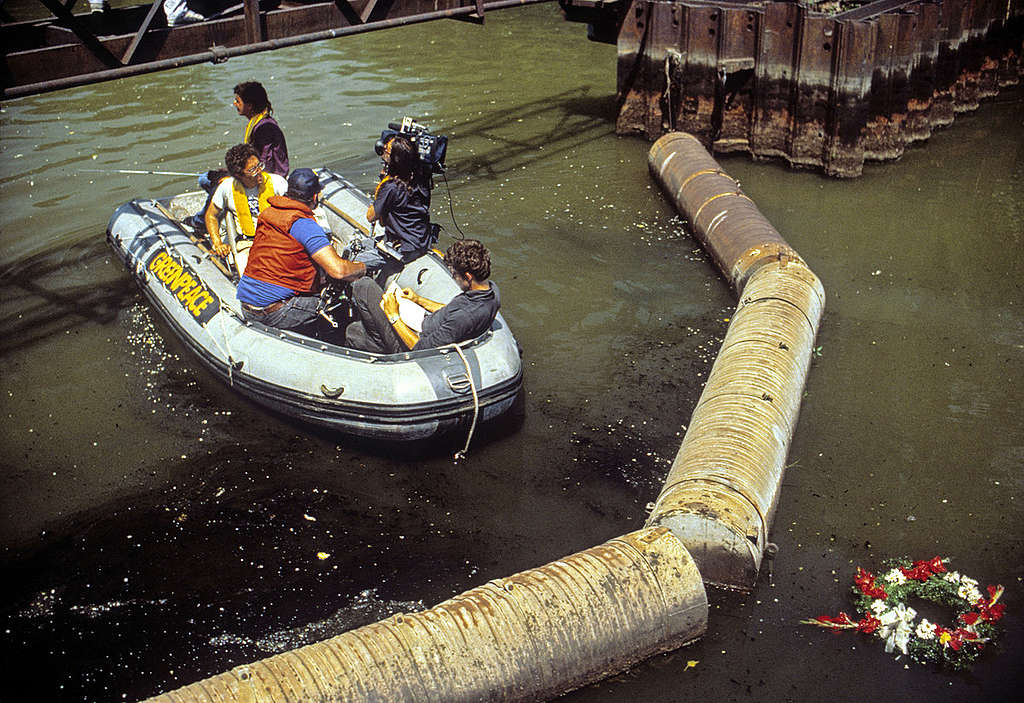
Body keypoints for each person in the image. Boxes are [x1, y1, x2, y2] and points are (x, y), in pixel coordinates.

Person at [237, 168, 365, 331]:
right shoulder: (304, 224)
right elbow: (338, 271)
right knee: (337, 305)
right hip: (275, 313)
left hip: (247, 307)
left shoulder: (268, 213)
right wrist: (361, 268)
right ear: (314, 197)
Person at [346, 239, 499, 354]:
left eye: (454, 274)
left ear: (468, 276)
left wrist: (393, 316)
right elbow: (451, 311)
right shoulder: (491, 291)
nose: (453, 277)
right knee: (355, 331)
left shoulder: (465, 317)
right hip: (422, 321)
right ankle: (375, 337)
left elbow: (420, 347)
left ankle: (380, 343)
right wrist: (418, 300)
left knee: (364, 285)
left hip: (409, 343)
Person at [355, 135, 433, 275]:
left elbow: (371, 216)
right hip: (421, 241)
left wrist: (383, 184)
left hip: (404, 248)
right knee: (364, 244)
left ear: (395, 160)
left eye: (387, 151)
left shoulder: (391, 187)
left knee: (355, 260)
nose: (383, 152)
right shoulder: (421, 179)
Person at [204, 144, 288, 268]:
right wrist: (217, 243)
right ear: (239, 175)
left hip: (277, 239)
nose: (259, 172)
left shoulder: (277, 182)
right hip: (247, 244)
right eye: (252, 170)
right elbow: (211, 216)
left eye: (259, 165)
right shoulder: (226, 187)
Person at [233, 81, 289, 177]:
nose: (234, 104)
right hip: (263, 173)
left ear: (249, 106)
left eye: (238, 101)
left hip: (271, 178)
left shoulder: (263, 128)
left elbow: (266, 162)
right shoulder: (260, 122)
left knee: (206, 180)